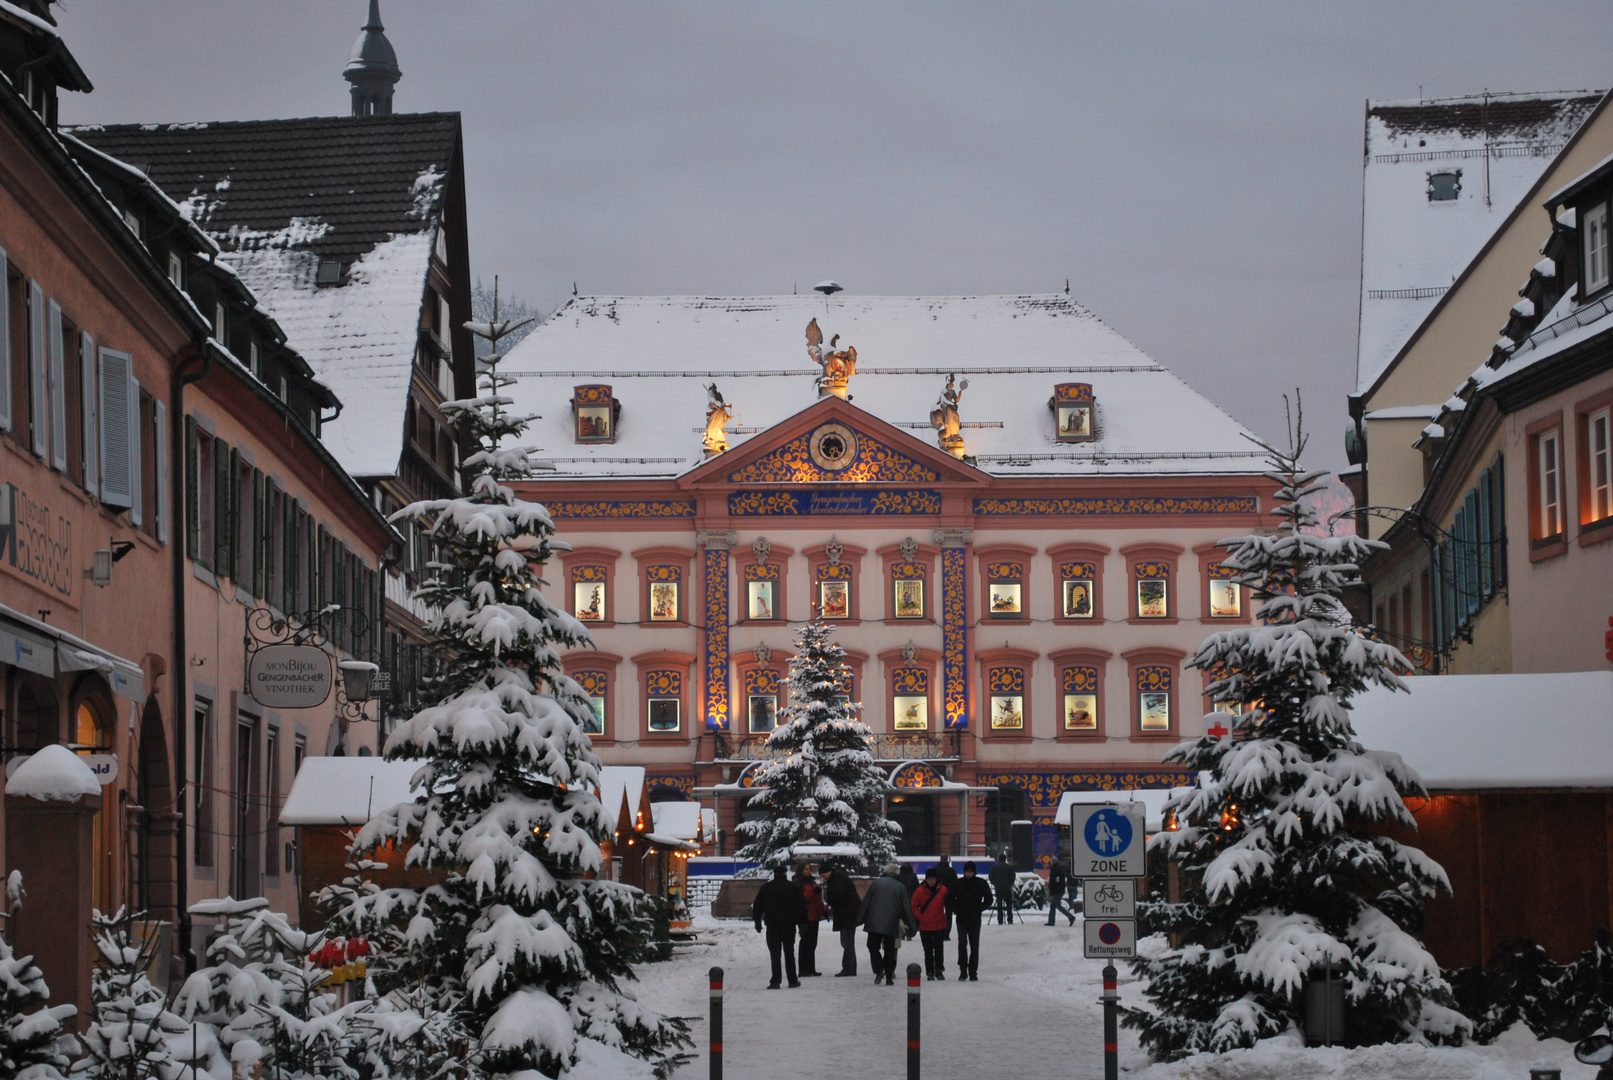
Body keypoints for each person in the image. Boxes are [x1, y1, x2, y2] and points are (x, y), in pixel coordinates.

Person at [857, 862, 916, 985]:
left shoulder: (876, 883)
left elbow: (866, 901)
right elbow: (907, 908)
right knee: (890, 950)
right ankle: (889, 976)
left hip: (873, 921)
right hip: (891, 922)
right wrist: (913, 926)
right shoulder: (900, 887)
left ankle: (879, 969)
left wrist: (860, 918)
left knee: (873, 946)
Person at [752, 864, 807, 988]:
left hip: (772, 925)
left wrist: (757, 921)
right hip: (789, 924)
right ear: (785, 874)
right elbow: (802, 906)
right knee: (789, 952)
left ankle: (775, 981)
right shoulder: (793, 887)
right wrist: (802, 923)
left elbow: (758, 906)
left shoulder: (766, 888)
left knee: (775, 953)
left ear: (774, 874)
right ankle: (792, 980)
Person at [947, 861, 993, 981]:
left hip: (974, 919)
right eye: (967, 871)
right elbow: (950, 899)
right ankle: (963, 971)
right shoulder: (958, 883)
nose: (968, 874)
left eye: (970, 871)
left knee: (974, 946)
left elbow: (989, 899)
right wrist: (956, 910)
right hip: (961, 919)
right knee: (962, 944)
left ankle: (973, 972)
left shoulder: (981, 883)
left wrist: (980, 908)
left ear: (974, 872)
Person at [822, 862, 861, 977]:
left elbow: (837, 895)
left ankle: (849, 968)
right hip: (848, 914)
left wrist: (829, 901)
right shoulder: (838, 877)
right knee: (847, 941)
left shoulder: (837, 879)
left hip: (847, 915)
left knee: (847, 942)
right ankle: (850, 967)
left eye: (823, 876)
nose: (823, 879)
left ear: (828, 872)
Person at [911, 868, 950, 980]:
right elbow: (914, 905)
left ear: (936, 879)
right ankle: (930, 971)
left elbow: (948, 903)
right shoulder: (919, 891)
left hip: (939, 924)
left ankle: (938, 970)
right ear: (926, 879)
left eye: (933, 879)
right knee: (928, 950)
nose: (931, 881)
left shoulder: (943, 890)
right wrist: (921, 917)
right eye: (929, 879)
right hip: (925, 925)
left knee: (939, 949)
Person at [795, 862, 827, 977]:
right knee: (805, 943)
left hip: (814, 915)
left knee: (812, 943)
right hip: (805, 916)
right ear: (801, 870)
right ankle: (804, 969)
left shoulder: (812, 882)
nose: (809, 871)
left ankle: (811, 968)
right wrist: (814, 893)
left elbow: (818, 899)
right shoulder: (798, 883)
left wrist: (823, 911)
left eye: (809, 869)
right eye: (806, 869)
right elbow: (802, 899)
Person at [933, 855, 960, 941]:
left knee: (937, 913)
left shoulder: (935, 871)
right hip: (949, 895)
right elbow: (956, 884)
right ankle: (946, 934)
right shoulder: (952, 871)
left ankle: (938, 932)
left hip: (937, 895)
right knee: (948, 914)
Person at [1045, 860, 1077, 927]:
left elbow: (1055, 881)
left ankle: (1071, 917)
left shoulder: (1055, 869)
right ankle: (1051, 921)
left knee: (1057, 905)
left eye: (1051, 862)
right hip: (1059, 890)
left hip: (1057, 891)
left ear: (1053, 863)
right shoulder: (1059, 869)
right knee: (1053, 906)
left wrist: (1053, 889)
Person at [989, 856, 1017, 925]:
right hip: (1007, 888)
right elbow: (1013, 877)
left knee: (999, 904)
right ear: (1005, 859)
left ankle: (1000, 920)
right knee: (1009, 904)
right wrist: (1010, 884)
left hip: (998, 888)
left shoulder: (994, 867)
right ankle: (1010, 919)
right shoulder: (1009, 867)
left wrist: (995, 884)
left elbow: (991, 877)